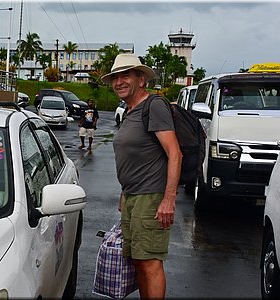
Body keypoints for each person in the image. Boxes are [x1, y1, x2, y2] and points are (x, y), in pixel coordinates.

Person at [101, 54, 181, 299]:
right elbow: (136, 158)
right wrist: (125, 194)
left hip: (152, 197)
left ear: (142, 79)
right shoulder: (129, 110)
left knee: (150, 263)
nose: (119, 82)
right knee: (138, 261)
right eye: (115, 77)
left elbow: (174, 153)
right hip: (134, 197)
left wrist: (168, 199)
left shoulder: (153, 105)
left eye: (125, 75)